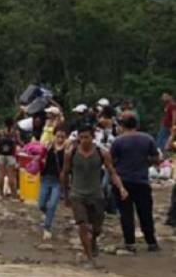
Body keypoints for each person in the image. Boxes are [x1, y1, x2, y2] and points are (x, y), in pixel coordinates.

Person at [61, 128, 126, 264]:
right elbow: (65, 173)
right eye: (82, 137)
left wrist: (121, 188)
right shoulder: (71, 153)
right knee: (82, 225)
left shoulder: (102, 153)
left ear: (93, 138)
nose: (84, 141)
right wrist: (65, 194)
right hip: (77, 194)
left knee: (97, 228)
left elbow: (112, 172)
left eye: (87, 137)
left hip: (96, 194)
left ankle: (94, 240)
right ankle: (89, 256)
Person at [109, 113, 161, 252]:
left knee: (126, 214)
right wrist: (144, 162)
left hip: (123, 181)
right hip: (142, 181)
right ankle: (151, 242)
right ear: (136, 125)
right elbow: (156, 158)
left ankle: (130, 243)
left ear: (122, 126)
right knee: (145, 212)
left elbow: (111, 162)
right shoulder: (147, 139)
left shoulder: (118, 141)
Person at [36, 127, 68, 240]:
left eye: (62, 137)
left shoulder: (67, 151)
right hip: (46, 177)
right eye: (58, 136)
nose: (60, 139)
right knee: (41, 204)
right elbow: (40, 157)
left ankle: (47, 227)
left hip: (57, 180)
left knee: (52, 204)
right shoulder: (48, 146)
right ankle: (48, 216)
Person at [0, 117, 21, 199]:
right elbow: (19, 142)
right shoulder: (15, 132)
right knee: (11, 176)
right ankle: (14, 194)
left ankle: (1, 193)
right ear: (13, 124)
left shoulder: (1, 131)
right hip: (11, 155)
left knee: (1, 174)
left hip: (1, 154)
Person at [159, 92, 176, 158]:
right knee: (162, 140)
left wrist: (173, 126)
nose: (163, 98)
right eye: (163, 96)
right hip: (165, 125)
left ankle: (163, 155)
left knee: (163, 141)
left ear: (170, 96)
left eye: (165, 96)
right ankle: (162, 155)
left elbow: (174, 116)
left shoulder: (173, 105)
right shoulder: (167, 105)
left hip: (168, 126)